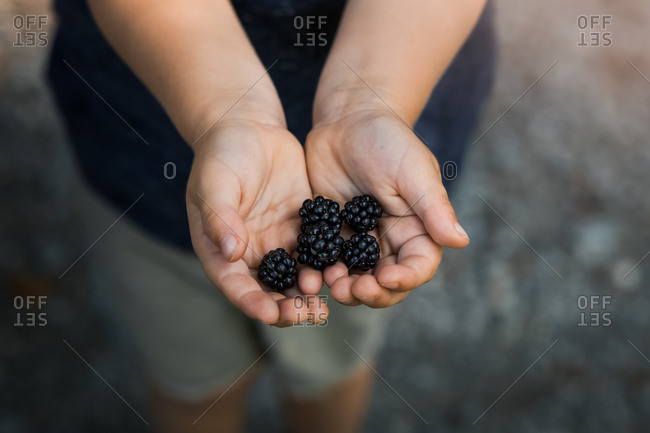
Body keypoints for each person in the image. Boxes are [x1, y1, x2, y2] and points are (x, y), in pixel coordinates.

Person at [48, 0, 495, 431]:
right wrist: (227, 112)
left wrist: (366, 102)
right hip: (142, 167)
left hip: (381, 138)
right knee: (194, 386)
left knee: (330, 372)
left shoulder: (361, 222)